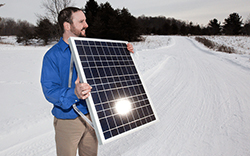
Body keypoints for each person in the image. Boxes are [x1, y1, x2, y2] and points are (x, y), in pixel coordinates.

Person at [40, 7, 134, 156]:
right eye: (82, 21)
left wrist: (123, 54)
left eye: (86, 20)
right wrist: (74, 93)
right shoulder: (52, 56)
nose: (86, 25)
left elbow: (107, 74)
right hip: (68, 119)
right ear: (67, 25)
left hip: (92, 115)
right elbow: (50, 91)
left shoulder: (92, 50)